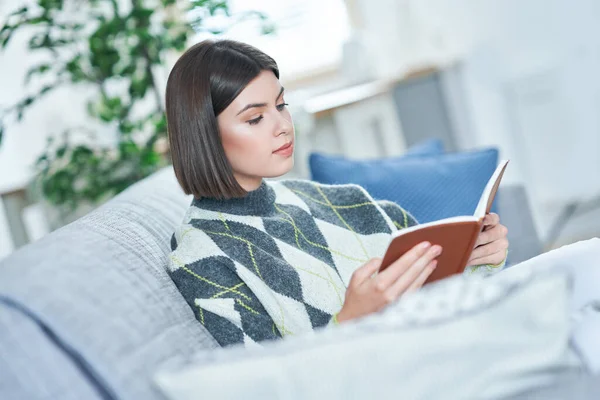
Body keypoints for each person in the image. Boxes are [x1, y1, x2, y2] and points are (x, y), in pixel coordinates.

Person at [164, 39, 511, 348]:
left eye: (281, 105)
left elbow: (443, 295)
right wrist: (349, 322)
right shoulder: (201, 254)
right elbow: (262, 380)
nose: (283, 125)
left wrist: (478, 259)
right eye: (256, 118)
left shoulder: (342, 199)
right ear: (203, 134)